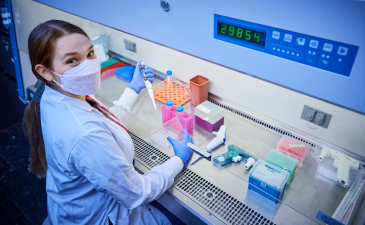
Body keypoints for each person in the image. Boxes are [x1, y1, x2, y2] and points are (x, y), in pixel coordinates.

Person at [23, 20, 193, 225]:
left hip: (70, 207)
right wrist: (179, 159)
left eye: (90, 53)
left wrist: (133, 88)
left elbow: (102, 120)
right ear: (44, 71)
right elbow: (137, 192)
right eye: (72, 61)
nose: (88, 66)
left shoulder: (56, 95)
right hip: (101, 218)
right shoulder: (84, 134)